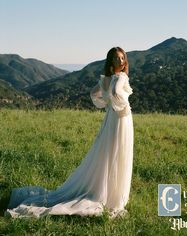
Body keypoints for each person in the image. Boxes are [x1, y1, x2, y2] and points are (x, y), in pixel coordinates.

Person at [6, 47, 134, 219]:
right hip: (121, 119)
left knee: (107, 153)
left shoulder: (107, 78)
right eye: (117, 58)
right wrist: (119, 102)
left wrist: (108, 102)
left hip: (111, 118)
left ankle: (104, 189)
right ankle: (113, 195)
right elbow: (116, 92)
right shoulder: (121, 77)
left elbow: (93, 93)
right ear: (111, 61)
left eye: (122, 58)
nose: (120, 61)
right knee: (118, 154)